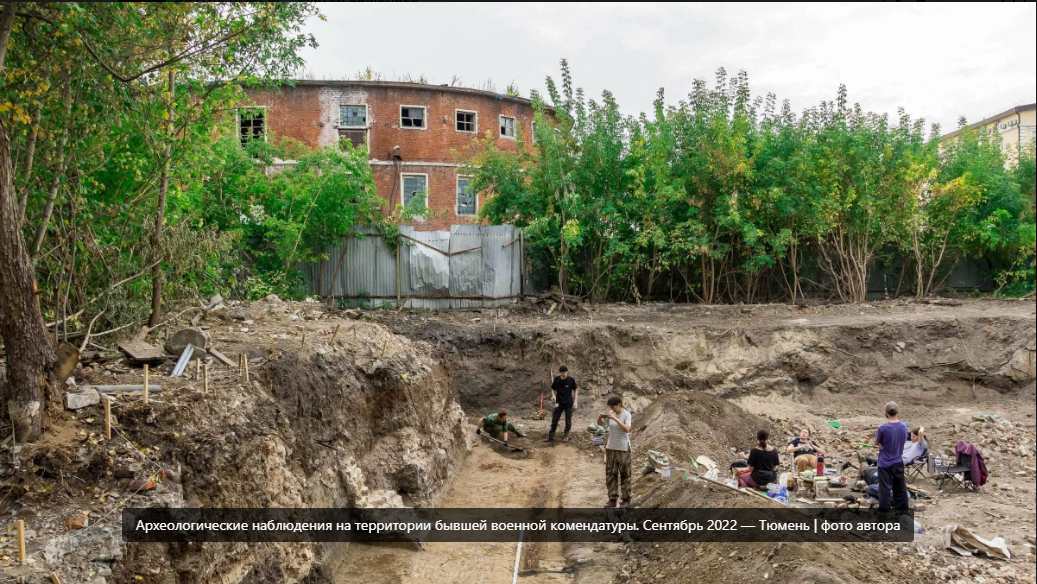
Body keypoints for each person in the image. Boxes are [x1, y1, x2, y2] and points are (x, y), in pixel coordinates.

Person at [873, 401, 910, 516]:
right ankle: (903, 510)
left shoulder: (883, 428)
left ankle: (884, 511)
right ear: (897, 412)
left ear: (886, 412)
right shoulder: (904, 426)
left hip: (885, 463)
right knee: (900, 487)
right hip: (898, 461)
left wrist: (880, 444)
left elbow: (876, 442)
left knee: (884, 489)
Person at [598, 396, 632, 508]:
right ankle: (612, 499)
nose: (612, 410)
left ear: (619, 405)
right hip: (611, 448)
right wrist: (600, 416)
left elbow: (627, 429)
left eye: (614, 407)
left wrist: (615, 419)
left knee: (625, 475)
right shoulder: (611, 414)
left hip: (623, 449)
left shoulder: (626, 415)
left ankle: (626, 499)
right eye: (611, 408)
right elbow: (600, 424)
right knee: (611, 474)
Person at [544, 366, 578, 443]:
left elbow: (576, 390)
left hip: (569, 403)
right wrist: (553, 395)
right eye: (562, 373)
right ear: (560, 372)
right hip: (559, 402)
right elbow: (552, 388)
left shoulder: (571, 380)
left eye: (565, 372)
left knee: (568, 420)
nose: (564, 374)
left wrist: (576, 401)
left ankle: (566, 435)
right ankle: (551, 436)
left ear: (567, 372)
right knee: (555, 419)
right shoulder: (557, 379)